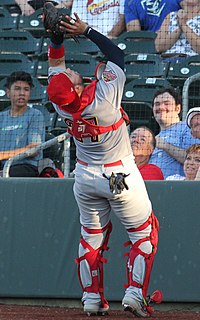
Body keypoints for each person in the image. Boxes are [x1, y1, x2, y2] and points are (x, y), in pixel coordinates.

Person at [43, 2, 161, 317]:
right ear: (77, 86)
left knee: (91, 239)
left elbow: (56, 68)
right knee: (144, 233)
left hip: (84, 178)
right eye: (71, 74)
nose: (69, 69)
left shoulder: (61, 105)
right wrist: (87, 31)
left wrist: (57, 40)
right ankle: (135, 293)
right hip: (119, 174)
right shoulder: (105, 97)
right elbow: (117, 54)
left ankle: (92, 300)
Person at [148, 87, 200, 179]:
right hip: (154, 188)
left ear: (178, 108)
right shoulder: (154, 138)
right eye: (157, 104)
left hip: (177, 189)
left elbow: (195, 160)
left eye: (166, 103)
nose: (161, 107)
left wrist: (165, 146)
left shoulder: (188, 128)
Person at [0, 71, 45, 177]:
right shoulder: (1, 117)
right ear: (8, 92)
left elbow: (34, 149)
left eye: (26, 89)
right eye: (17, 89)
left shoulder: (35, 115)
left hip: (25, 166)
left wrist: (4, 155)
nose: (22, 93)